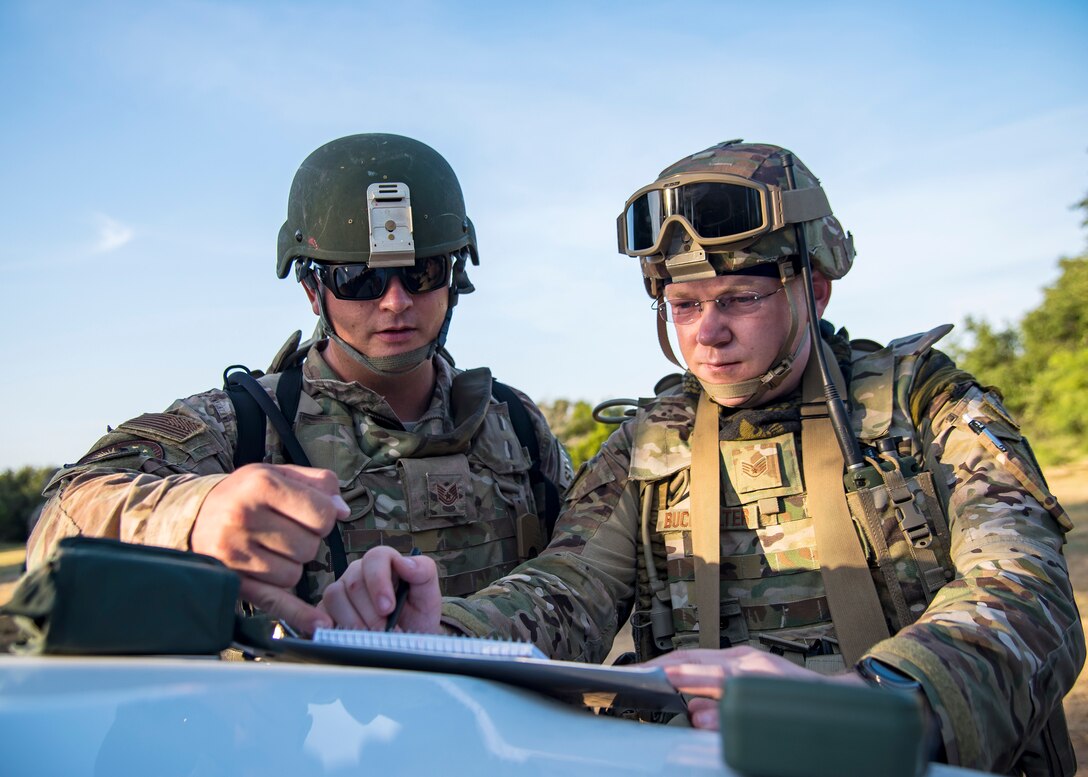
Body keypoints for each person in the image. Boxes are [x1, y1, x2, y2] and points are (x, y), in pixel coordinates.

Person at [323, 140, 1083, 775]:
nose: (706, 333)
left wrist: (878, 702)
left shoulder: (927, 406)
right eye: (683, 306)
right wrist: (444, 634)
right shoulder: (650, 443)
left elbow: (1026, 595)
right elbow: (566, 591)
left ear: (812, 289)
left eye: (738, 299)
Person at [26, 133, 572, 634]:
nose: (395, 300)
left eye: (421, 272)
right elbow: (59, 523)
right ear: (314, 291)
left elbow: (583, 572)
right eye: (358, 277)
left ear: (455, 278)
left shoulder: (516, 425)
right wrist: (197, 514)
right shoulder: (241, 425)